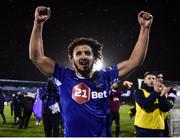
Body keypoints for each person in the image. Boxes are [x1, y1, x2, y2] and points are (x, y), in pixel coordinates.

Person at [29, 6, 153, 137]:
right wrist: (38, 24)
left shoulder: (105, 76)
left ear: (94, 57)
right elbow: (36, 57)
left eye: (87, 53)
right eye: (78, 54)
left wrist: (145, 28)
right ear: (72, 59)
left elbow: (135, 61)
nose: (83, 56)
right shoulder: (63, 76)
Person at [134, 71, 173, 137]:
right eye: (149, 78)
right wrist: (155, 92)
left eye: (153, 78)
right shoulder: (139, 92)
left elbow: (165, 109)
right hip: (143, 128)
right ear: (145, 80)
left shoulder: (161, 92)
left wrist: (162, 96)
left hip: (158, 128)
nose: (151, 80)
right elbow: (145, 105)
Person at [157, 73, 177, 137]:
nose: (160, 79)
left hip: (164, 118)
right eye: (158, 77)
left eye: (161, 77)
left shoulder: (167, 89)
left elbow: (169, 104)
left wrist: (172, 93)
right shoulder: (152, 90)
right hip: (155, 119)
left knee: (165, 135)